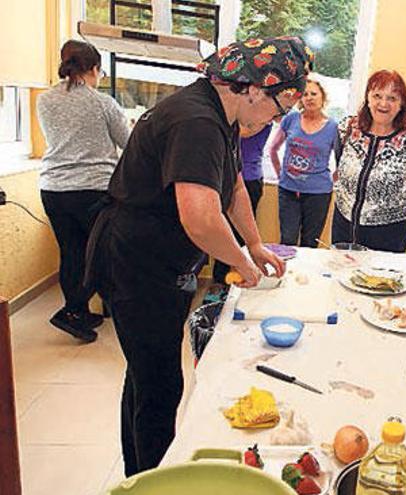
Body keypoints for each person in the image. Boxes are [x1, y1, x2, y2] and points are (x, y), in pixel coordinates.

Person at [86, 37, 312, 476]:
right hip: (138, 263)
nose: (275, 118)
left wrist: (255, 244)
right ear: (254, 89)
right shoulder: (197, 121)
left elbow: (232, 187)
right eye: (278, 107)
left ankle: (140, 471)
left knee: (146, 374)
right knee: (158, 386)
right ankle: (152, 479)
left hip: (160, 263)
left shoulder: (219, 114)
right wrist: (244, 266)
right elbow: (202, 219)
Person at [36, 40, 129, 343]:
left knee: (72, 251)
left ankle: (79, 311)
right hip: (92, 190)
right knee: (100, 253)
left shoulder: (44, 101)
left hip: (53, 188)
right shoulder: (102, 103)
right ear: (93, 69)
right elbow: (128, 144)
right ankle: (74, 311)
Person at [332, 70, 406, 252]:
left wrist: (385, 202)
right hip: (343, 226)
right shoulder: (346, 129)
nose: (383, 104)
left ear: (402, 104)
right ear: (368, 98)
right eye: (377, 96)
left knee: (381, 280)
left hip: (390, 234)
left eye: (392, 98)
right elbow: (340, 162)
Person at [269, 77, 337, 247]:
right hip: (288, 191)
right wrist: (280, 174)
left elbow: (343, 161)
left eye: (314, 94)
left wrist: (331, 181)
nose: (309, 98)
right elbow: (273, 149)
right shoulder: (291, 119)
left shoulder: (333, 127)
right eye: (305, 94)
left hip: (318, 194)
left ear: (323, 98)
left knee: (310, 243)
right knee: (288, 240)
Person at [212, 122, 273, 284]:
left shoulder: (262, 119)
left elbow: (241, 132)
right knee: (220, 231)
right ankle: (220, 280)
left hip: (249, 180)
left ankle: (231, 280)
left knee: (238, 235)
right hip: (223, 179)